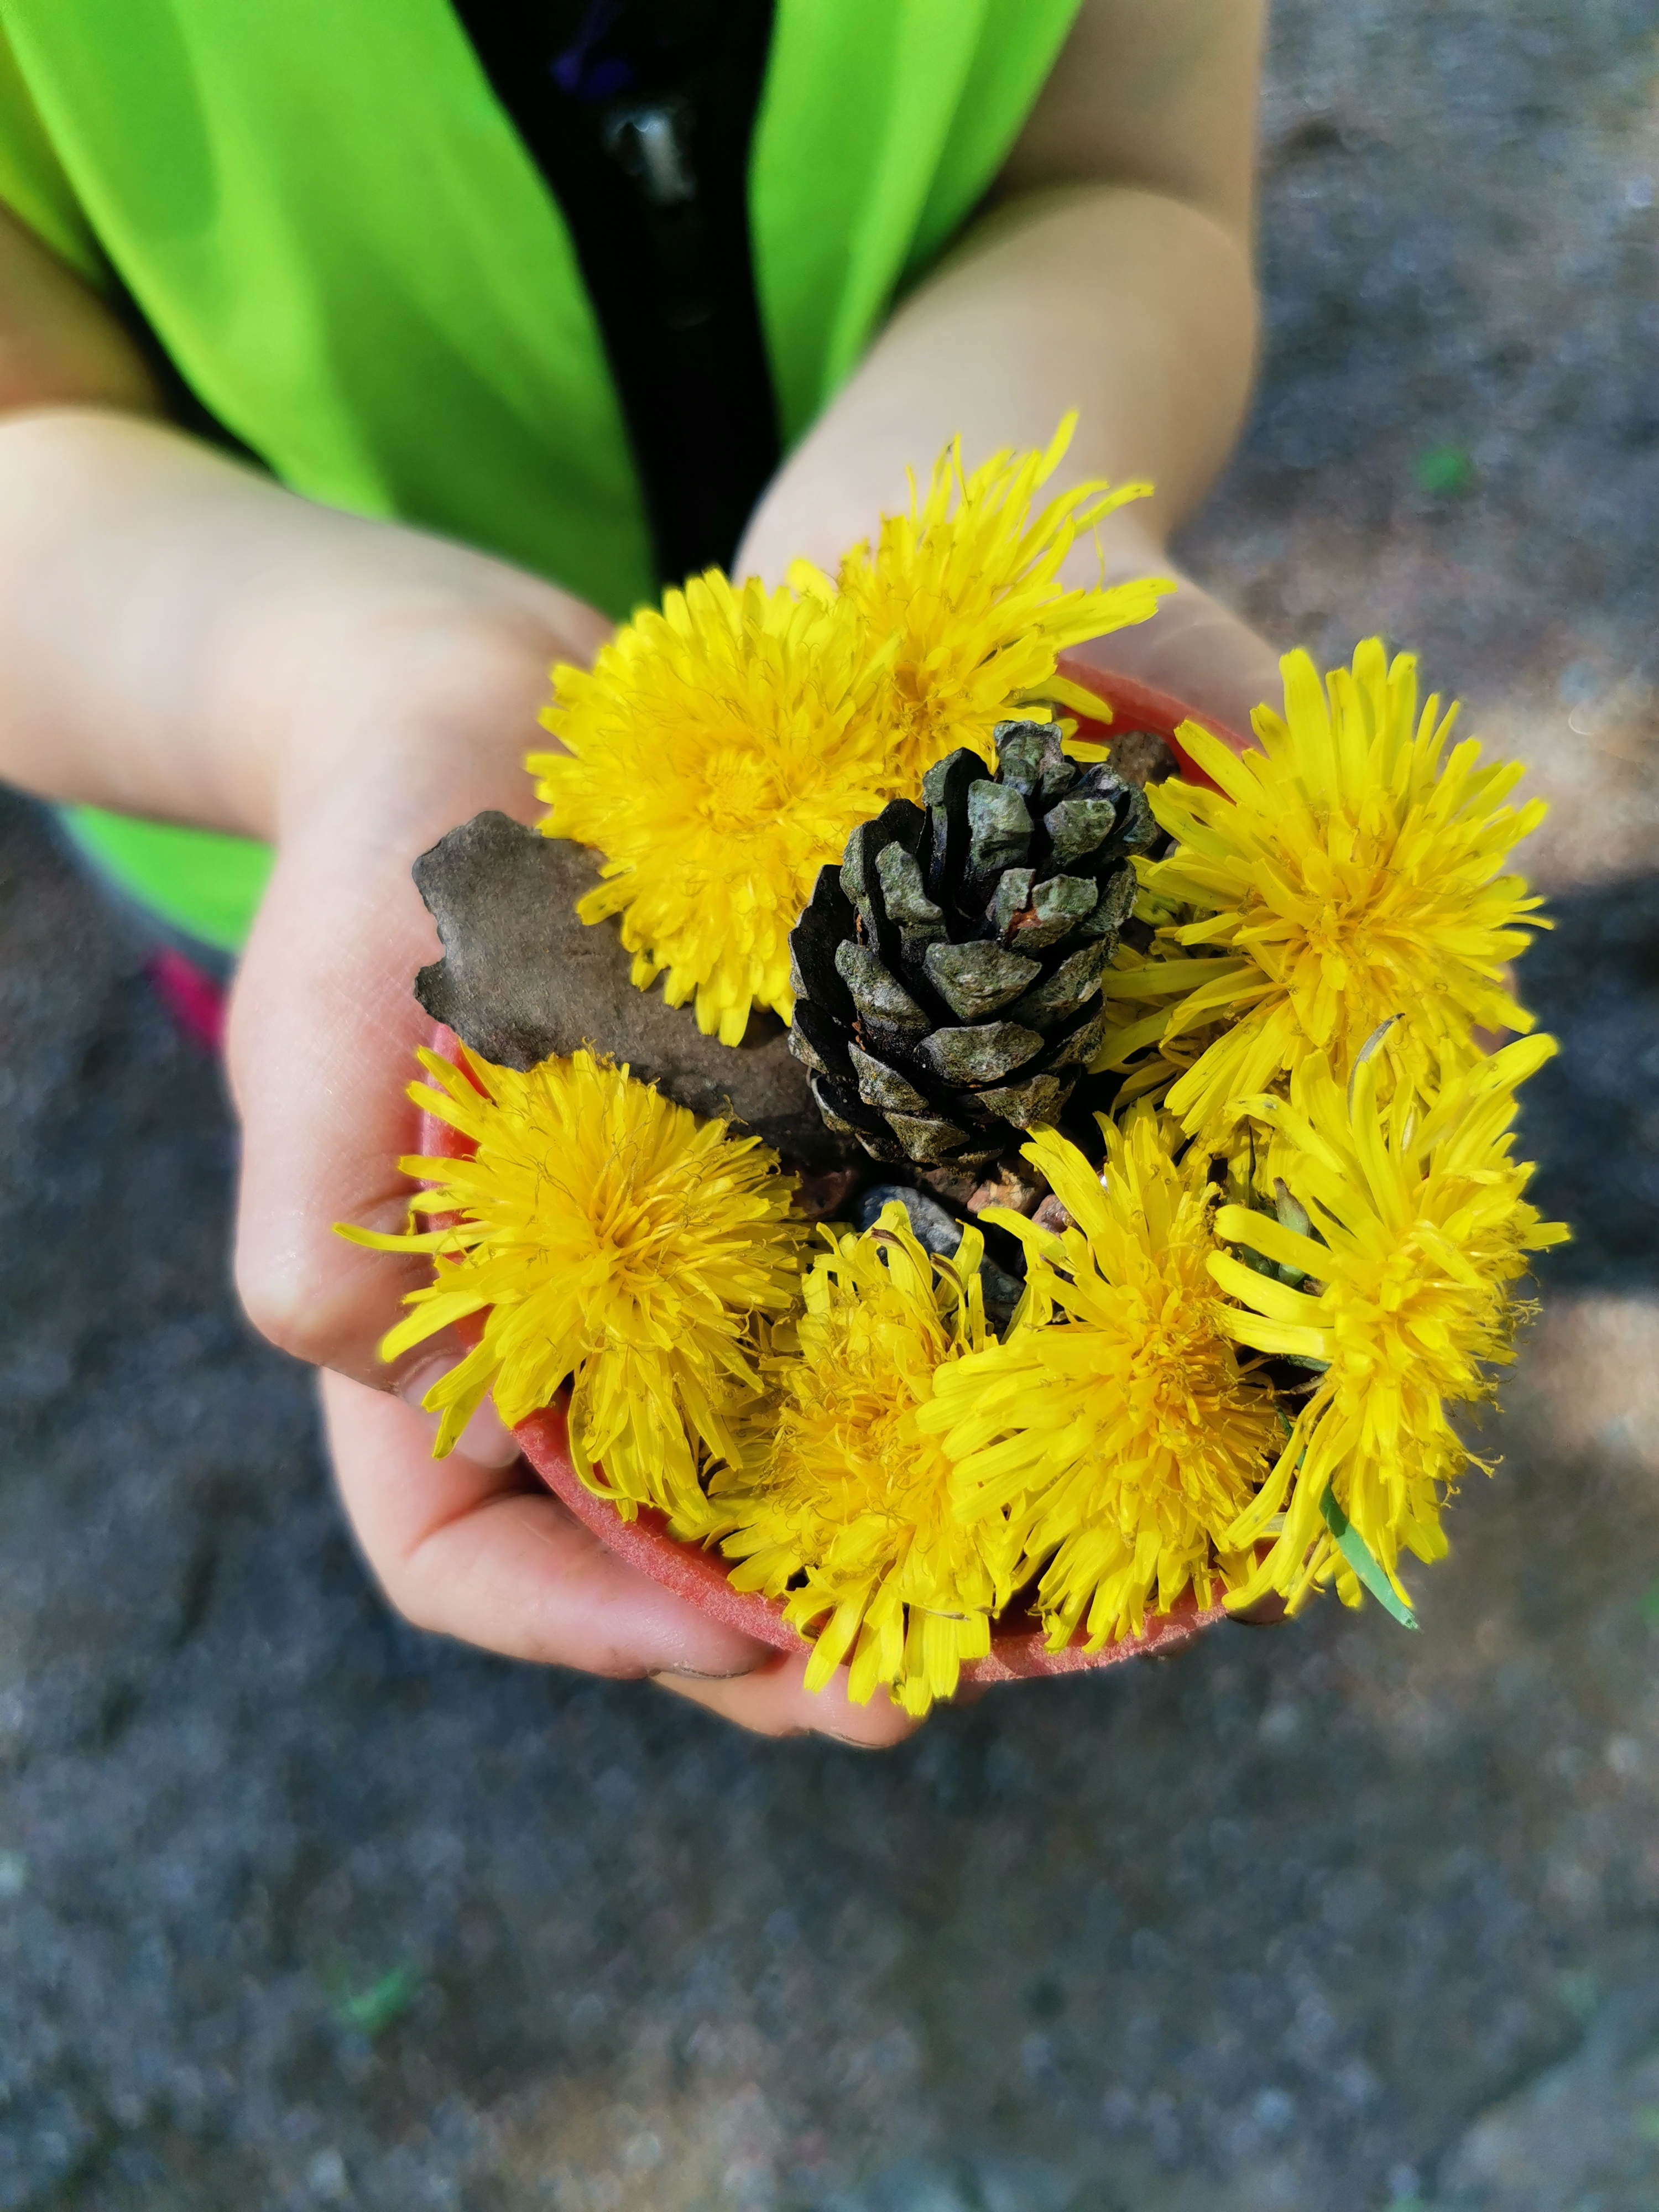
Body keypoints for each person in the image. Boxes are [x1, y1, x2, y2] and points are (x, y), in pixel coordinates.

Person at [0, 1, 1278, 1745]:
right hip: (246, 816)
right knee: (334, 1076)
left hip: (912, 655)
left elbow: (1130, 179)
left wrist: (946, 537)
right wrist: (358, 690)